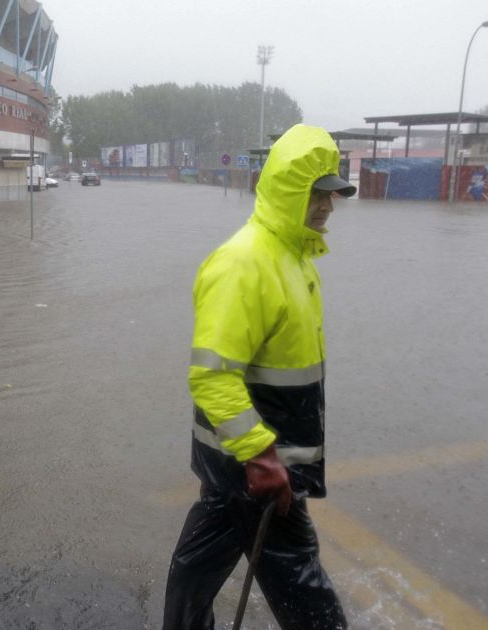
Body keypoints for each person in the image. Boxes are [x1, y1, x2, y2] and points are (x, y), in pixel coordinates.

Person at [163, 124, 355, 630]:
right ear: (291, 192)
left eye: (333, 196)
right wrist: (262, 456)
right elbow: (212, 376)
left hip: (246, 466)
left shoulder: (293, 258)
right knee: (302, 585)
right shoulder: (245, 264)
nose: (328, 207)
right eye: (319, 195)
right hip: (257, 469)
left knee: (199, 563)